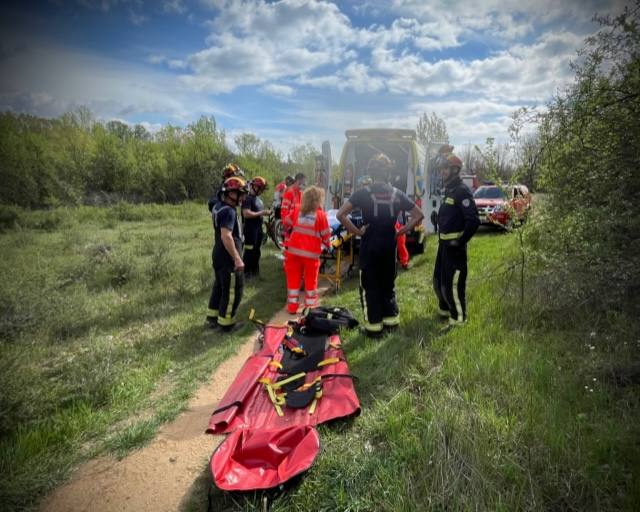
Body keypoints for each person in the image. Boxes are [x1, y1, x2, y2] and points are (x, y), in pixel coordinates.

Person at [337, 154, 424, 337]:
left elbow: (340, 215)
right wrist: (402, 231)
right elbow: (419, 215)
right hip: (389, 243)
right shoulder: (397, 193)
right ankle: (391, 323)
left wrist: (358, 231)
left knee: (370, 284)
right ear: (388, 173)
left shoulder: (363, 193)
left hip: (370, 243)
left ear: (371, 172)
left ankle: (373, 328)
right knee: (387, 283)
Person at [433, 153, 480, 326]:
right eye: (441, 169)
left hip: (455, 248)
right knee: (438, 282)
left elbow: (474, 221)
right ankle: (445, 312)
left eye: (445, 169)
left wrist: (460, 242)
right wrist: (437, 220)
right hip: (443, 246)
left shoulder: (462, 191)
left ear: (454, 169)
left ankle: (458, 319)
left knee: (452, 284)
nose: (442, 172)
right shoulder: (450, 190)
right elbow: (452, 216)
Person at [207, 176, 248, 331]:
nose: (243, 197)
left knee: (219, 287)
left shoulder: (218, 206)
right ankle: (227, 324)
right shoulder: (229, 212)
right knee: (232, 291)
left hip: (218, 254)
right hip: (228, 258)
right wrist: (237, 259)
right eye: (241, 194)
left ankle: (212, 317)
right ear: (231, 193)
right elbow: (226, 236)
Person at [283, 186, 331, 314]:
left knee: (293, 281)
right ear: (318, 200)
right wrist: (328, 245)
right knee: (311, 281)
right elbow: (326, 235)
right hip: (311, 255)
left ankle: (292, 307)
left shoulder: (297, 209)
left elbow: (286, 221)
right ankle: (309, 308)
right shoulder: (321, 215)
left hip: (293, 253)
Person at [241, 177, 270, 278]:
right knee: (249, 251)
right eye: (261, 189)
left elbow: (258, 213)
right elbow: (246, 214)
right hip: (250, 229)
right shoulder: (247, 198)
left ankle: (255, 271)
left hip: (258, 229)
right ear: (255, 187)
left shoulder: (258, 200)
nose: (262, 191)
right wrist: (262, 212)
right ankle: (246, 273)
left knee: (257, 250)